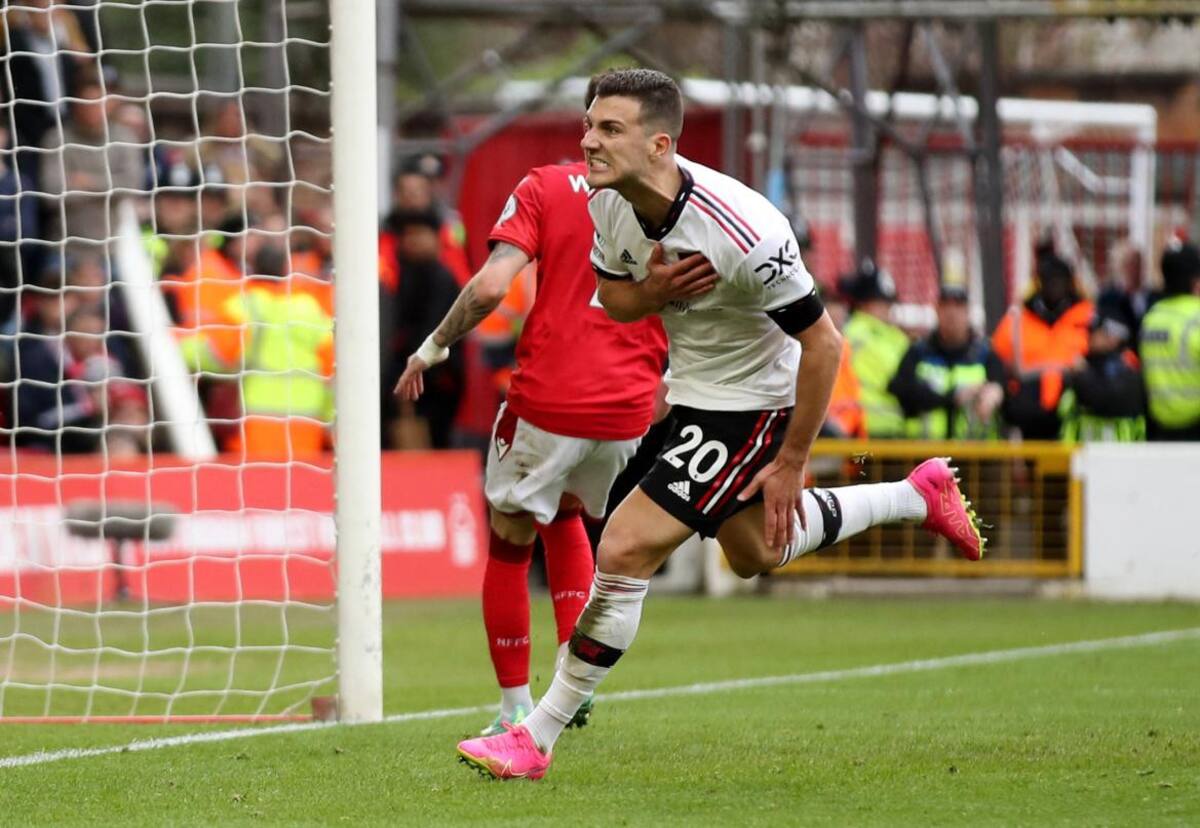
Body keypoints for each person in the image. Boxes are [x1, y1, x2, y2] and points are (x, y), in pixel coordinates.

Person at [455, 68, 985, 781]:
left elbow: (825, 344)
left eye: (609, 129)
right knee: (753, 553)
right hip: (692, 397)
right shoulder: (609, 202)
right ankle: (914, 497)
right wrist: (650, 291)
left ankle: (536, 736)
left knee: (624, 548)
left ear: (660, 144)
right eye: (588, 125)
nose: (588, 140)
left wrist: (792, 461)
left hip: (756, 403)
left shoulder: (746, 229)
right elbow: (613, 300)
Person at [396, 136, 685, 736]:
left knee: (509, 539)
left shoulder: (546, 186)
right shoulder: (679, 194)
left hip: (552, 398)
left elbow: (489, 288)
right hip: (629, 407)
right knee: (569, 515)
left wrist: (434, 346)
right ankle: (569, 684)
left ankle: (513, 710)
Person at [991, 242, 1093, 440]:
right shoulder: (1018, 319)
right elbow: (996, 358)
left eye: (1060, 280)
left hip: (1072, 422)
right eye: (1049, 280)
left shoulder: (1086, 317)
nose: (1055, 286)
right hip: (1026, 420)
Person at [889, 284, 1005, 440]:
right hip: (925, 453)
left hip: (975, 455)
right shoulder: (918, 352)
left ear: (968, 312)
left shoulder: (986, 355)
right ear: (937, 310)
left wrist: (994, 393)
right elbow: (901, 389)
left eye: (958, 306)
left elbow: (1005, 393)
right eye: (945, 306)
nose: (952, 313)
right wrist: (952, 397)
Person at [1138, 240, 1200, 441]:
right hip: (1194, 431)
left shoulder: (1151, 318)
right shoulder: (1196, 318)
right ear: (1196, 282)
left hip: (1159, 432)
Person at [839, 261, 909, 438]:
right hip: (868, 429)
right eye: (882, 302)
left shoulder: (891, 334)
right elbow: (896, 375)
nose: (888, 308)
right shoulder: (858, 334)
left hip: (888, 429)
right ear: (865, 304)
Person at [1058, 308, 1145, 443]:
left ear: (1113, 339)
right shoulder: (1088, 363)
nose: (1089, 335)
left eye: (1095, 330)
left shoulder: (1127, 367)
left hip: (1120, 453)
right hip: (1084, 454)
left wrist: (1083, 375)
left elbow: (1103, 398)